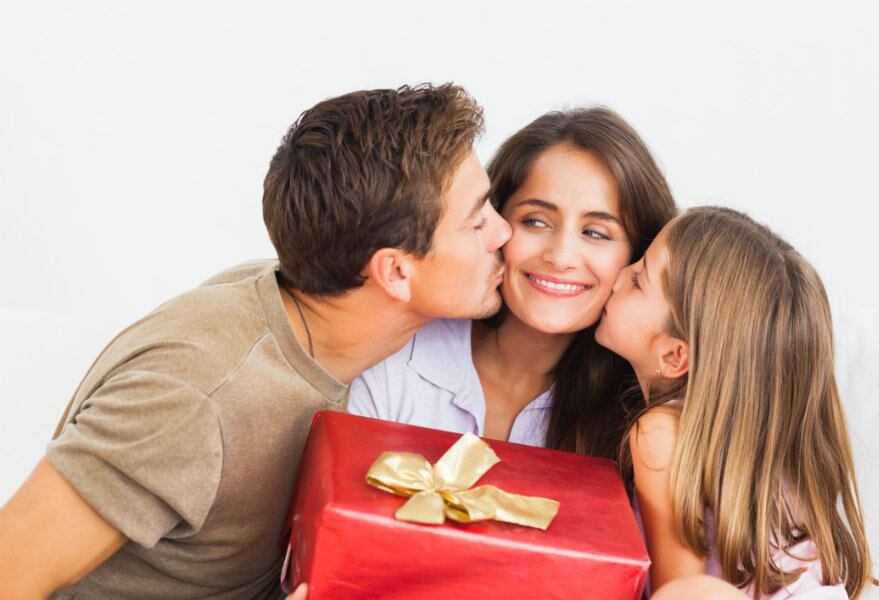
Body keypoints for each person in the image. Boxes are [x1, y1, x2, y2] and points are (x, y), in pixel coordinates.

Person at [0, 83, 512, 599]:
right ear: (395, 272)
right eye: (477, 221)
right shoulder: (192, 398)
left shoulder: (305, 300)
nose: (503, 232)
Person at [350, 106, 677, 461]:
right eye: (535, 221)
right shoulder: (392, 357)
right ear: (491, 220)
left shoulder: (649, 422)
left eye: (595, 233)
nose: (560, 257)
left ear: (638, 257)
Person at [595, 206, 877, 598]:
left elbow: (679, 590)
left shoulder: (660, 434)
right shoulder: (756, 438)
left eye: (638, 280)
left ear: (675, 355)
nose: (617, 276)